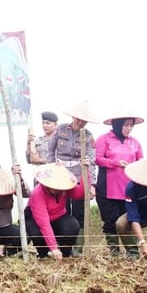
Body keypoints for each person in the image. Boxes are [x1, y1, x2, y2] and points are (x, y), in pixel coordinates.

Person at [47, 100, 100, 256]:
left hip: (78, 176)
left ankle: (77, 248)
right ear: (73, 117)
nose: (80, 121)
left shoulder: (89, 136)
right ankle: (63, 247)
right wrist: (51, 171)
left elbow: (91, 162)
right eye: (78, 118)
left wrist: (92, 184)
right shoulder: (60, 130)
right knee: (62, 211)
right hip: (60, 174)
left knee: (79, 212)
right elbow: (50, 151)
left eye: (83, 120)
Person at [94, 106, 144, 255]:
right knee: (110, 221)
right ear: (117, 124)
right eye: (126, 125)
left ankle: (132, 251)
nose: (129, 129)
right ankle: (114, 252)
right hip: (108, 188)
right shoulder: (104, 139)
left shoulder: (135, 142)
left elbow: (141, 161)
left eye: (131, 125)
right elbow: (96, 159)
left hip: (128, 189)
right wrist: (114, 162)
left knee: (128, 221)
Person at [25, 162, 83, 260]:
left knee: (72, 226)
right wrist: (53, 248)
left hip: (58, 216)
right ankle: (43, 254)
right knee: (38, 234)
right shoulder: (37, 194)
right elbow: (44, 224)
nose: (57, 188)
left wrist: (85, 172)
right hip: (36, 220)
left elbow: (79, 194)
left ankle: (64, 254)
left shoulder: (64, 187)